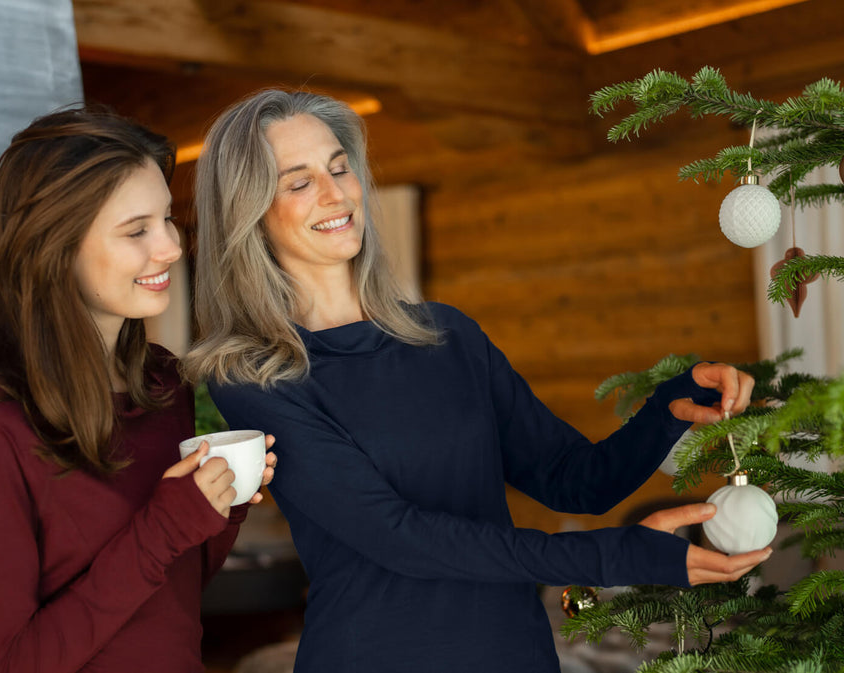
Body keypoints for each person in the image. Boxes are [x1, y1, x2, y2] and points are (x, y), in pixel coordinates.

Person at [184, 89, 769, 673]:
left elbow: (576, 483)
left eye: (340, 168)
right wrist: (619, 557)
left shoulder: (447, 334)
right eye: (298, 181)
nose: (336, 193)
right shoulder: (254, 377)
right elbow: (400, 537)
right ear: (249, 212)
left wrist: (668, 407)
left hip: (514, 651)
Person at [0, 107, 276, 673]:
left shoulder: (161, 384)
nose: (169, 246)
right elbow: (10, 664)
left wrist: (220, 506)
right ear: (55, 247)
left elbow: (166, 598)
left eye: (167, 219)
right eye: (137, 229)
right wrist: (165, 525)